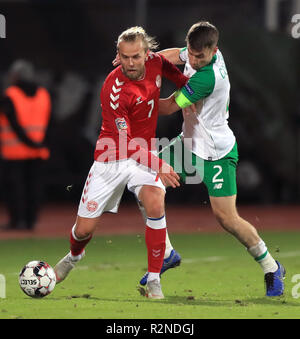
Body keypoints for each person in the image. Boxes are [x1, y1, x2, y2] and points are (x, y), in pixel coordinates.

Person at [54, 26, 189, 299]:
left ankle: (154, 281)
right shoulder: (113, 89)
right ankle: (73, 258)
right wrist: (159, 164)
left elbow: (178, 76)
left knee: (154, 201)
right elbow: (126, 145)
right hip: (112, 158)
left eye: (135, 56)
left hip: (143, 155)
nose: (130, 63)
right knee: (83, 231)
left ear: (146, 53)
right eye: (125, 57)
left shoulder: (156, 62)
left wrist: (190, 96)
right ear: (118, 55)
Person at [154, 21, 285, 297]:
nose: (192, 59)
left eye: (199, 56)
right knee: (147, 179)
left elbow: (166, 107)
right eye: (190, 53)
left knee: (227, 218)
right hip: (189, 144)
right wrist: (144, 59)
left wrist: (136, 94)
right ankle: (166, 253)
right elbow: (172, 55)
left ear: (215, 51)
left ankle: (272, 267)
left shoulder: (208, 77)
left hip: (216, 153)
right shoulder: (196, 51)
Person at [0, 60, 51, 230]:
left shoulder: (10, 94)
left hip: (14, 152)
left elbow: (14, 124)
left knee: (15, 189)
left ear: (15, 76)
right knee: (34, 188)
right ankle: (30, 221)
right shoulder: (43, 94)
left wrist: (30, 143)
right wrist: (40, 144)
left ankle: (17, 221)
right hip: (38, 151)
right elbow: (50, 122)